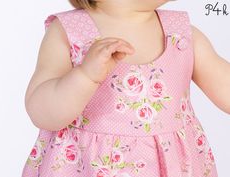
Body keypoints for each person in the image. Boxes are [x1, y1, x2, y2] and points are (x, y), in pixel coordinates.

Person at [22, 0, 230, 176]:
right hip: (86, 165)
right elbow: (41, 112)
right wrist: (84, 76)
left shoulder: (181, 33)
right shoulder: (71, 33)